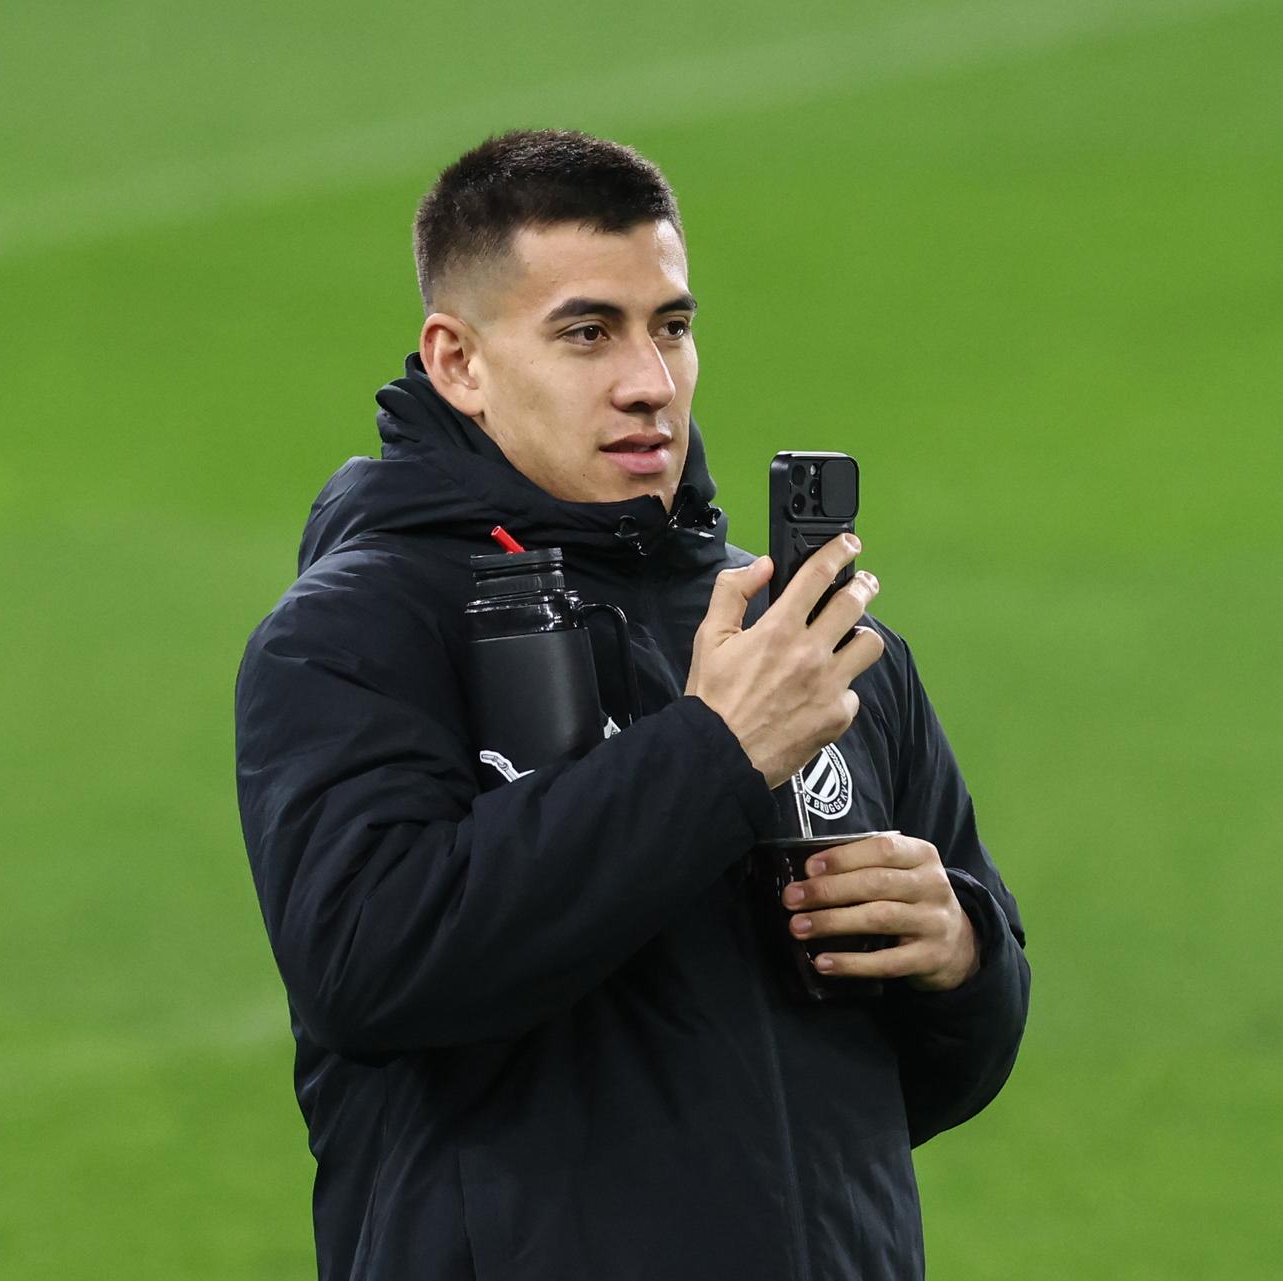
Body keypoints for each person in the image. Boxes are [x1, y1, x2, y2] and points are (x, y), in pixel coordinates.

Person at [234, 128, 1030, 1281]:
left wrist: (959, 952)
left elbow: (927, 1081)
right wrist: (714, 754)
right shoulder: (355, 634)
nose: (650, 382)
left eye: (672, 326)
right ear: (458, 362)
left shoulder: (805, 640)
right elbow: (373, 964)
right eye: (586, 332)